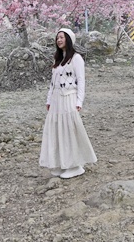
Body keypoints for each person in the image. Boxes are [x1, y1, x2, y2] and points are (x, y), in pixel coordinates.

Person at [39, 27, 97, 178]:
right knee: (57, 130)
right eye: (57, 37)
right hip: (57, 100)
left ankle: (75, 164)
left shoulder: (76, 58)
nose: (59, 40)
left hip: (69, 97)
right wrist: (49, 99)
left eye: (62, 37)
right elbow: (52, 83)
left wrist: (79, 101)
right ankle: (61, 163)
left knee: (70, 129)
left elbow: (81, 81)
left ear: (69, 39)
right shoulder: (57, 61)